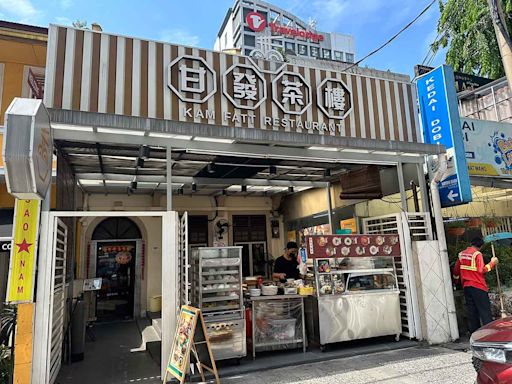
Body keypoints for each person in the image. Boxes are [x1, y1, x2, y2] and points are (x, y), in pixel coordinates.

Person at [453, 237, 499, 333]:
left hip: (467, 287)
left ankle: (475, 334)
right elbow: (481, 270)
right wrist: (492, 263)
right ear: (481, 246)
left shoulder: (461, 254)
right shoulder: (477, 254)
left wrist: (456, 282)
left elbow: (456, 270)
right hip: (478, 287)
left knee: (472, 312)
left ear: (471, 243)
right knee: (484, 311)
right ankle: (489, 334)